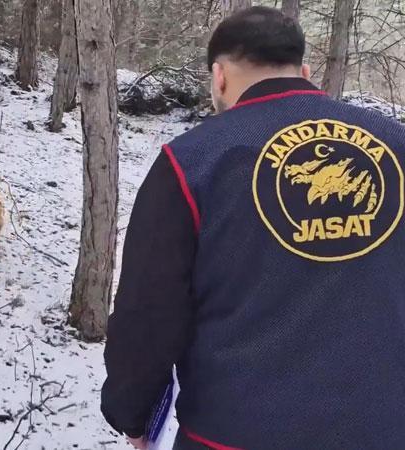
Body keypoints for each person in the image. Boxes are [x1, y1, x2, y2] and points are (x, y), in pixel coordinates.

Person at [101, 6, 405, 450]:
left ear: (219, 77)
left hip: (232, 435)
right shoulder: (396, 145)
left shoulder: (191, 162)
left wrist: (132, 412)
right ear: (304, 72)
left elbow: (148, 311)